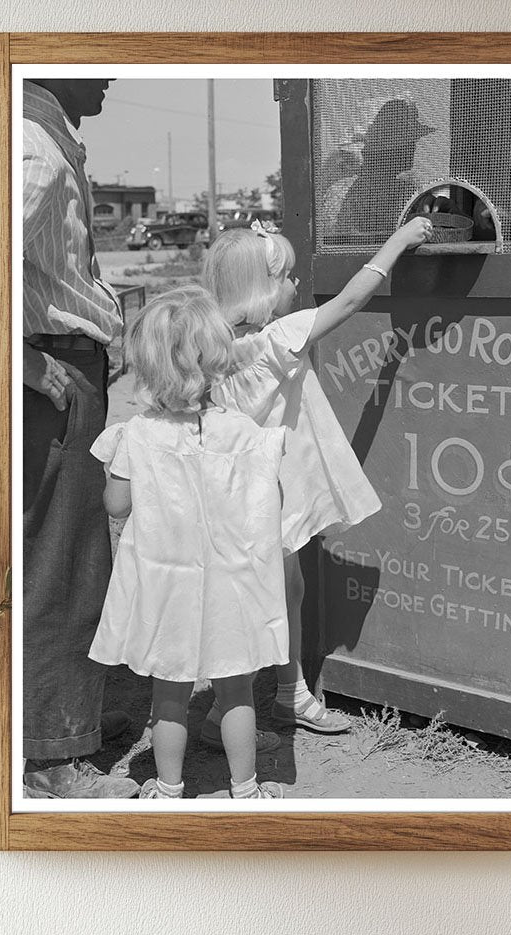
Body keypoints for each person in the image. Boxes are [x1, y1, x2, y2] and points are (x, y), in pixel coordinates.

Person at [203, 215, 433, 735]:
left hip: (231, 494)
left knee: (271, 590)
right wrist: (398, 239)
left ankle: (265, 695)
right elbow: (351, 301)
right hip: (270, 491)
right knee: (279, 591)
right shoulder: (280, 338)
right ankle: (259, 702)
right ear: (260, 292)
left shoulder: (214, 348)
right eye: (286, 279)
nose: (296, 285)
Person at [89, 287, 289, 800]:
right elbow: (270, 494)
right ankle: (245, 790)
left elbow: (116, 506)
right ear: (215, 359)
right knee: (237, 687)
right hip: (230, 579)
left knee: (169, 691)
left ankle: (169, 787)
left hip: (166, 579)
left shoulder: (136, 435)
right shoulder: (242, 432)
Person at [21, 78, 138, 799]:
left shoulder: (43, 135)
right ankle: (49, 755)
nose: (108, 73)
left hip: (65, 358)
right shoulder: (33, 145)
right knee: (61, 563)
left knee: (68, 553)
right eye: (91, 60)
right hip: (50, 367)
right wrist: (28, 358)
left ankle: (58, 731)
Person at [336, 98, 436, 238]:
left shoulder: (409, 188)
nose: (413, 148)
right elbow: (345, 236)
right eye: (408, 143)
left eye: (413, 142)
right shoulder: (366, 189)